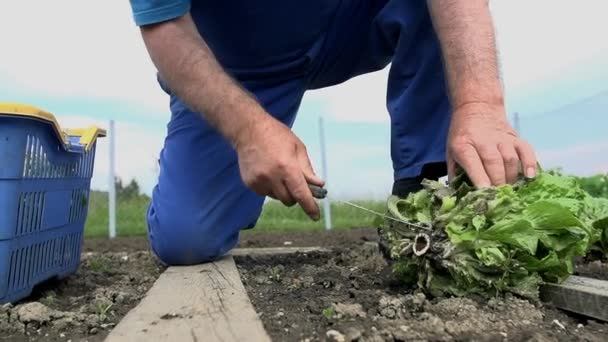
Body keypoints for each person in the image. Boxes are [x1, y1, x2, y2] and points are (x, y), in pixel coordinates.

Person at [128, 0, 538, 265]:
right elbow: (165, 27)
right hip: (235, 65)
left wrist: (479, 104)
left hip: (350, 21)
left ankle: (423, 199)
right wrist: (249, 130)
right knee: (185, 238)